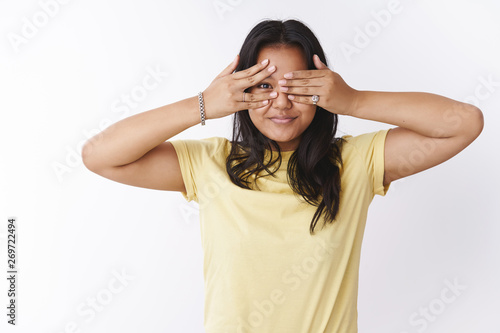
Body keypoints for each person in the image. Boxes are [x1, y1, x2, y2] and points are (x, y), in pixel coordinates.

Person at [82, 19, 483, 333]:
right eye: (264, 86)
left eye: (297, 86)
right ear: (241, 89)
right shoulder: (211, 163)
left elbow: (464, 122)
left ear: (320, 90)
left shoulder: (355, 162)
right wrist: (203, 104)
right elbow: (99, 156)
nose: (281, 102)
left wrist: (353, 100)